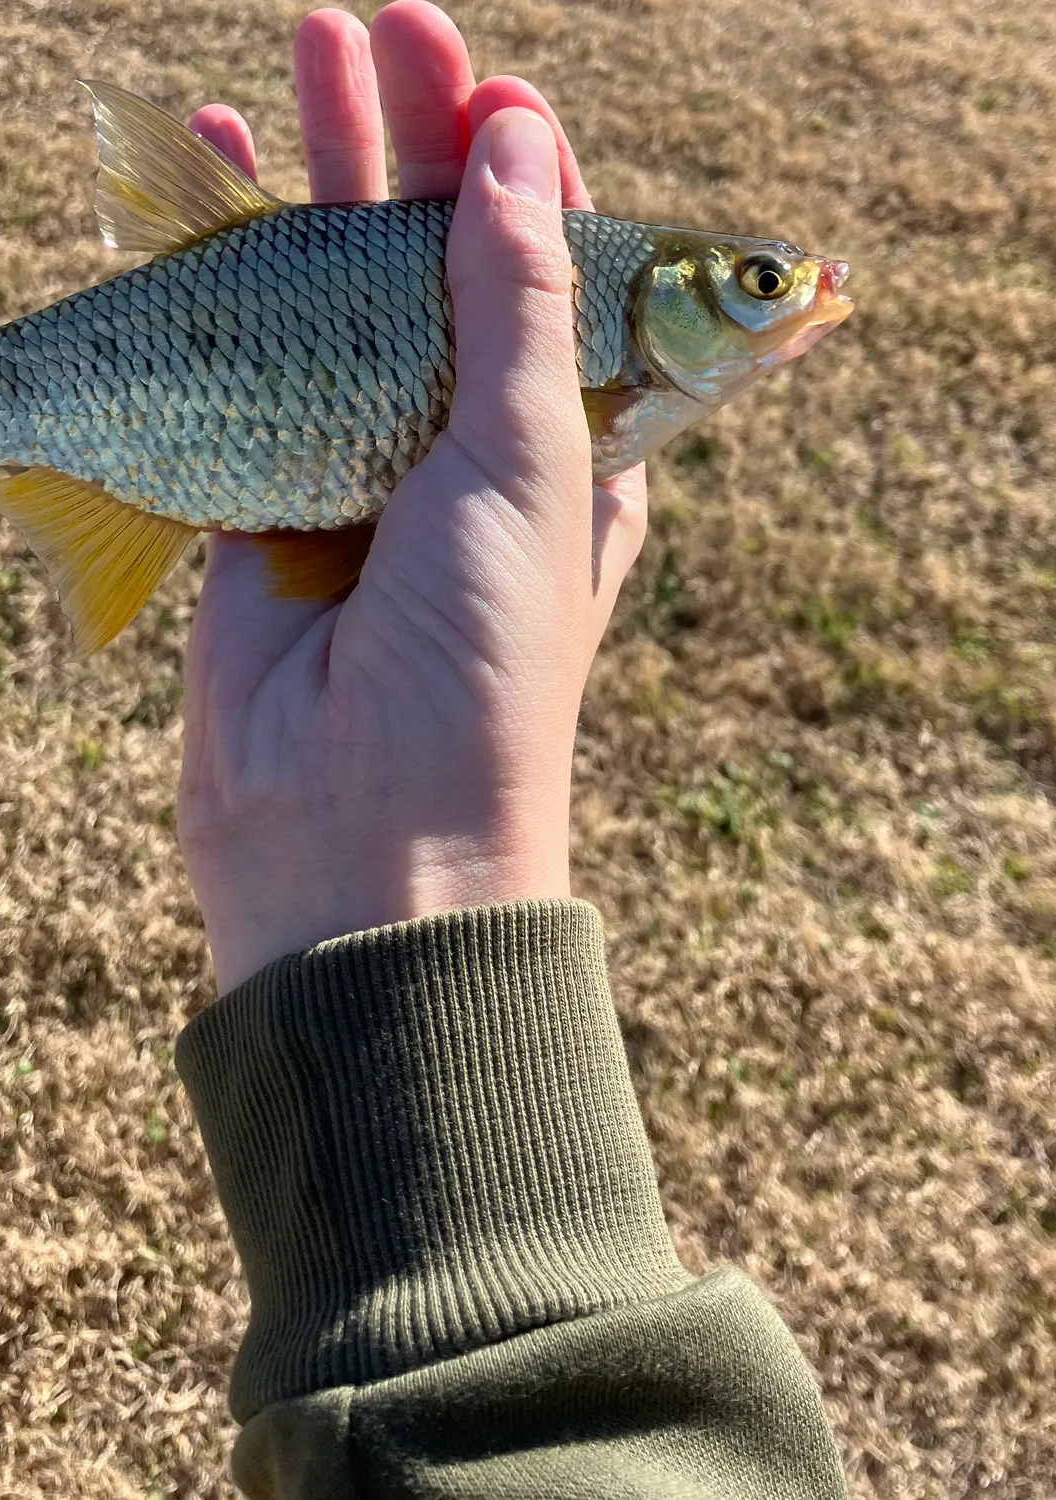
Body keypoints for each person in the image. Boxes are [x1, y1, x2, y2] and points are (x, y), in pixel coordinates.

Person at [171, 4, 847, 1494]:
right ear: (649, 299)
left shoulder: (617, 379)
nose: (788, 301)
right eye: (749, 288)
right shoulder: (614, 355)